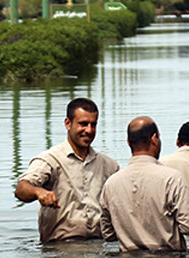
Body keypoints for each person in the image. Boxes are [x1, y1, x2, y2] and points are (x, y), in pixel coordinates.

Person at [15, 97, 119, 242]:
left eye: (93, 125)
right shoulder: (50, 160)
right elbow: (21, 189)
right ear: (68, 124)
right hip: (59, 247)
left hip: (99, 248)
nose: (88, 130)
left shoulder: (109, 166)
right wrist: (38, 192)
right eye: (83, 124)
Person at [99, 117, 189, 251]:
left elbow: (108, 234)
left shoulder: (111, 184)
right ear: (154, 139)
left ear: (128, 142)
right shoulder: (172, 178)